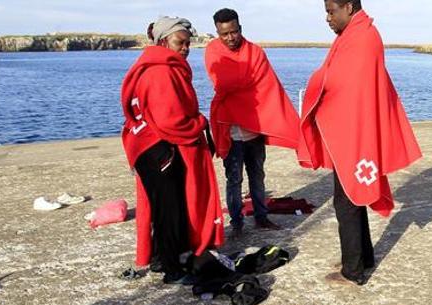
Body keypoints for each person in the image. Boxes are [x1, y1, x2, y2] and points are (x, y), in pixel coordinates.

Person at [297, 0, 422, 285]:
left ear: (349, 7)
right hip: (353, 129)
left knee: (347, 201)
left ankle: (352, 272)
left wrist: (316, 85)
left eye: (331, 11)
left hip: (356, 133)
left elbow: (337, 80)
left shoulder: (362, 37)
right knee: (352, 197)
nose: (327, 18)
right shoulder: (356, 34)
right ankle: (362, 257)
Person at [121, 16, 224, 283]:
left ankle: (158, 258)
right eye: (181, 42)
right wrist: (199, 122)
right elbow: (171, 120)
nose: (185, 48)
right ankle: (172, 268)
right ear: (164, 41)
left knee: (158, 207)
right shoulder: (161, 71)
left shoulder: (149, 66)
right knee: (171, 209)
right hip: (158, 149)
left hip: (143, 146)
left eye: (188, 43)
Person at [206, 8, 300, 238]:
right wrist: (245, 82)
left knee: (257, 175)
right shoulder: (212, 50)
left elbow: (266, 86)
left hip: (254, 128)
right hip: (231, 130)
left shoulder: (255, 52)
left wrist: (239, 84)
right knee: (234, 178)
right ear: (218, 32)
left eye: (234, 32)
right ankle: (237, 222)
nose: (230, 38)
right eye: (224, 34)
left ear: (240, 29)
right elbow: (222, 83)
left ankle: (261, 217)